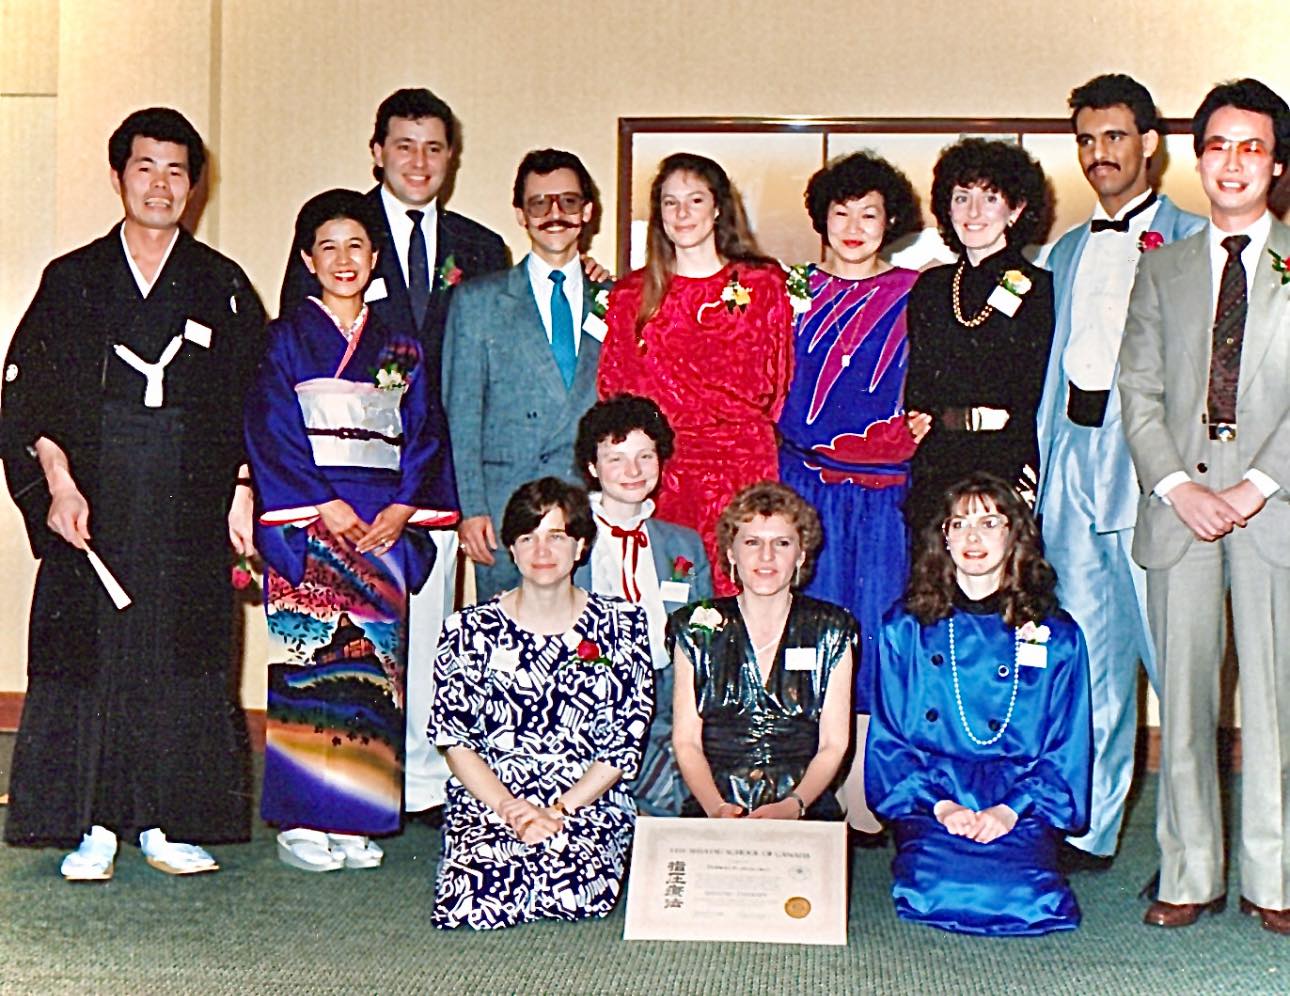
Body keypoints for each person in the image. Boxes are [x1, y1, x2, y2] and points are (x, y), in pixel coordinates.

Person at [0, 108, 265, 879]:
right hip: (95, 488)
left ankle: (161, 819)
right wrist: (56, 484)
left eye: (177, 169)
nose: (161, 184)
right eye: (145, 167)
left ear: (195, 184)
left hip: (189, 493)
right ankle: (92, 824)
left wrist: (241, 491)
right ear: (118, 176)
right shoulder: (73, 278)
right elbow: (30, 395)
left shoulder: (221, 284)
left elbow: (254, 398)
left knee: (177, 653)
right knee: (95, 653)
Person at [279, 87, 508, 820]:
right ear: (377, 151)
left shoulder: (479, 246)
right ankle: (354, 782)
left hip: (432, 474)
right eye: (404, 145)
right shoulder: (336, 228)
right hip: (343, 482)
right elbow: (298, 348)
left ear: (452, 158)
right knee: (349, 638)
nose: (419, 160)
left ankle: (424, 781)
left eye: (435, 147)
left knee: (432, 623)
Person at [245, 189, 459, 871]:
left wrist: (402, 506)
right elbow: (270, 427)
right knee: (314, 665)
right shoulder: (282, 338)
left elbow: (423, 429)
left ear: (375, 260)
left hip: (382, 524)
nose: (343, 260)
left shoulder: (399, 342)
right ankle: (306, 818)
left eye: (356, 247)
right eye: (328, 247)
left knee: (376, 671)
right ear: (307, 259)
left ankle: (358, 815)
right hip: (313, 517)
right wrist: (318, 502)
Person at [1119, 79, 1290, 935]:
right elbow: (1136, 390)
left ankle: (1277, 878)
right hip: (1177, 509)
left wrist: (1253, 488)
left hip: (1276, 508)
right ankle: (1189, 873)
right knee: (1182, 700)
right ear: (1199, 156)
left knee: (1274, 700)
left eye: (1250, 147)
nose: (1232, 162)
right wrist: (1179, 488)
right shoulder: (1162, 265)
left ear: (1277, 164)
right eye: (1218, 145)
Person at [1035, 74, 1206, 871]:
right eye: (1087, 141)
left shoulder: (1196, 239)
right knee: (1092, 657)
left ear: (1150, 144)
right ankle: (1092, 829)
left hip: (1156, 470)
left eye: (1114, 137)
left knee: (1176, 662)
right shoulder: (1064, 250)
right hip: (1072, 457)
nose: (1099, 154)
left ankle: (1194, 848)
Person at [866, 473, 1092, 936]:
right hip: (934, 794)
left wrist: (1009, 810)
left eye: (990, 523)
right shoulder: (903, 627)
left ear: (1014, 536)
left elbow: (1067, 746)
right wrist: (942, 806)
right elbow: (889, 738)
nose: (973, 537)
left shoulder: (1059, 636)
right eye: (959, 524)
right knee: (938, 889)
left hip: (1019, 798)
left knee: (1028, 897)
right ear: (942, 539)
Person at [777, 152, 929, 836]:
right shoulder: (788, 290)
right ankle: (803, 781)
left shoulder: (915, 291)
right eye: (841, 213)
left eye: (870, 213)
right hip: (802, 484)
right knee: (801, 627)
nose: (855, 226)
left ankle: (867, 785)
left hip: (880, 493)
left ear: (891, 219)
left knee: (869, 626)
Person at [430, 478, 652, 929]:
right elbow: (455, 740)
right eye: (527, 538)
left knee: (574, 896)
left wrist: (559, 810)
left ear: (581, 546)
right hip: (492, 795)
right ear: (511, 548)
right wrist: (511, 809)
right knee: (472, 905)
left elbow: (622, 745)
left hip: (584, 798)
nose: (542, 550)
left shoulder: (624, 627)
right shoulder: (467, 631)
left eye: (557, 536)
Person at [598, 153, 793, 596]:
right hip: (665, 474)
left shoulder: (762, 285)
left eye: (695, 200)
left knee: (742, 591)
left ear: (718, 206)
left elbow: (779, 383)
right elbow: (614, 390)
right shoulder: (631, 295)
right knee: (670, 593)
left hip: (742, 466)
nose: (682, 213)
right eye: (670, 203)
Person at [445, 149, 610, 600]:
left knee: (588, 651)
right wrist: (471, 507)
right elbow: (461, 414)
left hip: (589, 510)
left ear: (588, 212)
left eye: (568, 202)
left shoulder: (619, 298)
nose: (554, 214)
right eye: (539, 203)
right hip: (504, 510)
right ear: (520, 214)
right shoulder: (478, 302)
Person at [670, 481, 853, 821]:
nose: (766, 557)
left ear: (800, 554)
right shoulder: (694, 627)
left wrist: (793, 805)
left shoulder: (832, 628)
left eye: (781, 543)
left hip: (803, 802)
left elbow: (834, 744)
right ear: (730, 553)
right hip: (715, 801)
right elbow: (687, 742)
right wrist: (717, 809)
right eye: (752, 542)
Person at [572, 394, 712, 816]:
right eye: (616, 459)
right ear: (593, 468)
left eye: (645, 456)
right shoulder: (570, 539)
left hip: (668, 701)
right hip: (590, 702)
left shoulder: (682, 543)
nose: (632, 472)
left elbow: (700, 627)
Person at [904, 139, 1055, 530]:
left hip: (1007, 461)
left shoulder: (1041, 289)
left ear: (1016, 209)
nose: (973, 212)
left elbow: (1038, 392)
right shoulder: (932, 287)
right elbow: (917, 382)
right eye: (961, 197)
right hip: (939, 460)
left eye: (990, 198)